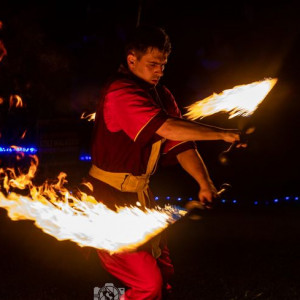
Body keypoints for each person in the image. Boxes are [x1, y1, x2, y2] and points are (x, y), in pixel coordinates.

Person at [88, 25, 242, 300]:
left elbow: (181, 144)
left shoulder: (161, 95)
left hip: (140, 196)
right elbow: (168, 128)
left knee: (163, 271)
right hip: (107, 200)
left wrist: (204, 183)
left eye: (163, 64)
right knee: (148, 283)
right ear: (131, 60)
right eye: (152, 64)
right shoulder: (120, 92)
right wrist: (221, 134)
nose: (159, 70)